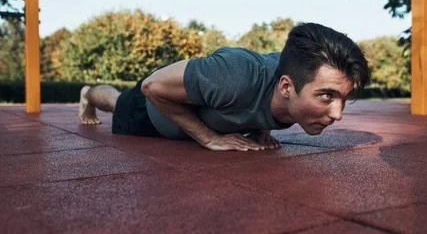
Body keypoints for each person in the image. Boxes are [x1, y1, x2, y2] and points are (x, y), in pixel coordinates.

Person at [78, 22, 370, 151]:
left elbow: (262, 99)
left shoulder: (295, 91)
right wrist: (208, 138)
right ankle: (88, 93)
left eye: (343, 98)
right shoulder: (234, 77)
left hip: (195, 112)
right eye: (327, 96)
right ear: (285, 87)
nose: (337, 114)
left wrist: (261, 129)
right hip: (154, 108)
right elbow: (153, 86)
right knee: (117, 102)